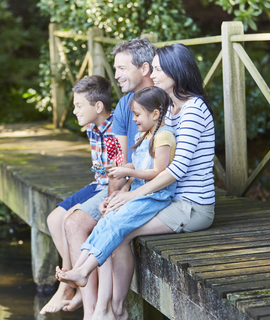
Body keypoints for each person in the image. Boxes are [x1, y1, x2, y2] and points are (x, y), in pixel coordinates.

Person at [94, 43, 216, 320]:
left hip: (192, 207)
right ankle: (109, 310)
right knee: (113, 219)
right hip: (168, 198)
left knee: (121, 233)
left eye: (159, 69)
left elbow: (175, 170)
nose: (154, 73)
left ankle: (115, 311)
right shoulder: (170, 109)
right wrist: (121, 193)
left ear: (177, 70)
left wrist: (131, 196)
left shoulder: (193, 110)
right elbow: (148, 163)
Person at [62, 38, 157, 319]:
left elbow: (146, 162)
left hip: (144, 187)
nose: (115, 76)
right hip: (121, 184)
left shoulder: (161, 101)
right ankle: (92, 310)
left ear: (144, 68)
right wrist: (113, 195)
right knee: (70, 221)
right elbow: (119, 159)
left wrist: (116, 194)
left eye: (121, 68)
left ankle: (106, 310)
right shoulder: (127, 103)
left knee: (86, 223)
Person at [56, 86, 177, 291]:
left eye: (137, 115)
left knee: (117, 224)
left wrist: (128, 173)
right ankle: (78, 268)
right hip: (139, 192)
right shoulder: (146, 134)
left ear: (155, 114)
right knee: (106, 220)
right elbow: (140, 165)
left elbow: (159, 172)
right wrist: (122, 168)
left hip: (154, 196)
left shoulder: (164, 136)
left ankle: (84, 272)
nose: (134, 120)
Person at [40, 75, 116, 314]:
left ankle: (72, 289)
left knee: (72, 220)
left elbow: (120, 175)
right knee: (54, 219)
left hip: (111, 186)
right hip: (97, 183)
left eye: (78, 105)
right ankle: (72, 282)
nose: (74, 111)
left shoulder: (116, 130)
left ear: (98, 106)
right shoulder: (92, 127)